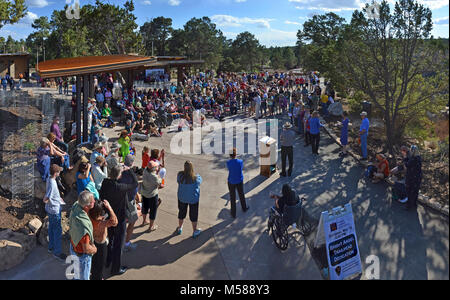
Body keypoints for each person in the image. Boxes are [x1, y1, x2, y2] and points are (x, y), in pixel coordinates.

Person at [99, 165, 138, 276]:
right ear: (119, 175)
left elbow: (102, 195)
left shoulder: (105, 182)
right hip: (119, 218)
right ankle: (116, 268)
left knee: (110, 239)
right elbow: (135, 184)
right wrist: (130, 171)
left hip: (108, 216)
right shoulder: (120, 187)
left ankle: (108, 261)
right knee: (119, 243)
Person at [68, 191, 97, 280]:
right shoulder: (83, 227)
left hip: (73, 246)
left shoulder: (76, 206)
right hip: (82, 256)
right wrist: (95, 249)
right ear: (86, 206)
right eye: (92, 201)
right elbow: (86, 248)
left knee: (77, 274)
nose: (95, 201)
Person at [89, 199, 118, 281]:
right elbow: (115, 222)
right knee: (100, 267)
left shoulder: (89, 217)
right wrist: (109, 208)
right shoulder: (101, 223)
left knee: (94, 265)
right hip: (101, 246)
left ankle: (94, 276)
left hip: (93, 242)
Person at [43, 164, 67, 261]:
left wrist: (57, 198)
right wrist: (49, 200)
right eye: (59, 171)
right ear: (56, 173)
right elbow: (47, 197)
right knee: (57, 231)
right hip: (54, 210)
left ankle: (51, 247)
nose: (60, 172)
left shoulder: (49, 178)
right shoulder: (53, 183)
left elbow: (51, 194)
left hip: (50, 209)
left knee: (51, 228)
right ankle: (57, 252)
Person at [119, 155, 140, 251]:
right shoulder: (130, 174)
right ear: (131, 163)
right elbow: (134, 190)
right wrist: (137, 196)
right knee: (132, 221)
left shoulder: (119, 169)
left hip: (119, 200)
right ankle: (126, 243)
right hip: (129, 201)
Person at [176, 161, 203, 238]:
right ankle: (194, 231)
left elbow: (178, 181)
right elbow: (200, 182)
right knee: (194, 215)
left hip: (182, 198)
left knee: (181, 212)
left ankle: (180, 228)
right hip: (193, 199)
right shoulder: (196, 178)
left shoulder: (180, 175)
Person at [140, 160, 163, 232]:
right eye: (156, 167)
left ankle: (144, 221)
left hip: (144, 193)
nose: (157, 167)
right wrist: (160, 174)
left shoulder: (145, 171)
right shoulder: (154, 177)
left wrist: (157, 170)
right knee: (153, 211)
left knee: (144, 208)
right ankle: (151, 226)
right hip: (152, 195)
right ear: (153, 169)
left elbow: (152, 172)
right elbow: (160, 183)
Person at [227, 148, 249, 218]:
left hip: (231, 181)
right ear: (235, 154)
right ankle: (244, 208)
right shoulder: (240, 161)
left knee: (232, 197)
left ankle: (233, 213)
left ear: (230, 155)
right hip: (239, 180)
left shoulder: (228, 162)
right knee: (241, 194)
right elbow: (241, 168)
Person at [404, 145, 422, 211]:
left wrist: (405, 158)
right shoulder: (419, 157)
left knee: (409, 190)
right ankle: (414, 203)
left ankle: (408, 205)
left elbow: (407, 165)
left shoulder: (413, 159)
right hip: (418, 177)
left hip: (411, 177)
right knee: (415, 191)